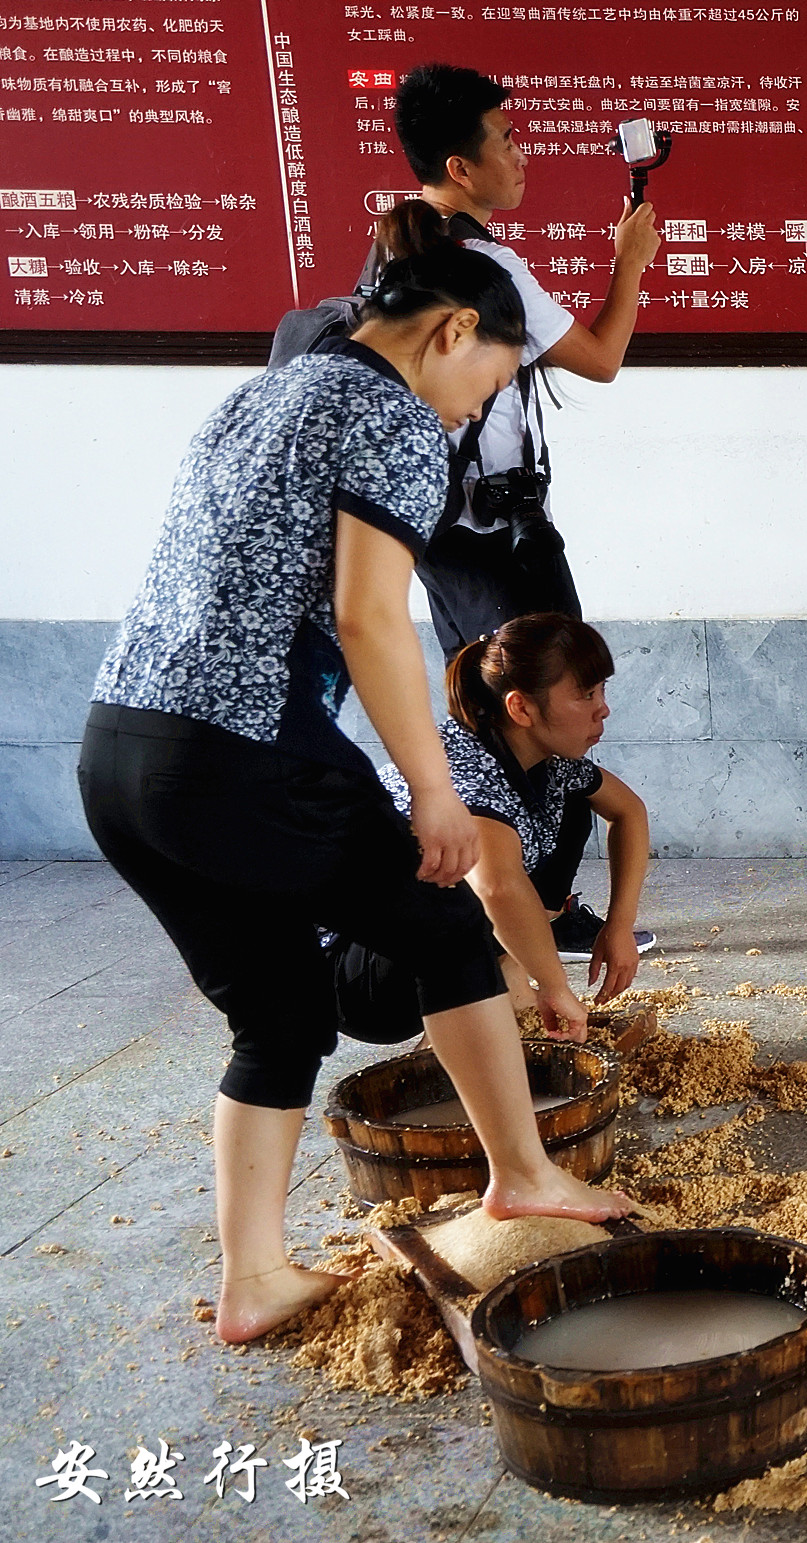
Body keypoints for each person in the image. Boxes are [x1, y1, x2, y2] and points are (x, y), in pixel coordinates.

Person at [78, 220, 630, 1346]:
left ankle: (254, 1279)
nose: (474, 412)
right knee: (442, 921)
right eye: (485, 384)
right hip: (241, 746)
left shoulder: (260, 391)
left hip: (120, 753)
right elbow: (369, 615)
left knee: (278, 1014)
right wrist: (432, 792)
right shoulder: (387, 408)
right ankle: (522, 1172)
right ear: (452, 330)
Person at [390, 62, 664, 655]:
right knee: (550, 689)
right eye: (508, 140)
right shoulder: (485, 264)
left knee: (480, 697)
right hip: (493, 527)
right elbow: (601, 359)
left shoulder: (394, 251)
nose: (522, 157)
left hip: (432, 522)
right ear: (460, 169)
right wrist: (630, 262)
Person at [327, 613, 657, 1047]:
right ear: (520, 707)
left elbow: (629, 811)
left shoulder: (548, 759)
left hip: (415, 942)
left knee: (566, 813)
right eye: (586, 694)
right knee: (485, 890)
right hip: (354, 975)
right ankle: (454, 1049)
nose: (604, 708)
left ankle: (512, 1007)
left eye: (602, 690)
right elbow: (498, 888)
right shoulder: (469, 773)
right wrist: (556, 987)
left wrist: (619, 926)